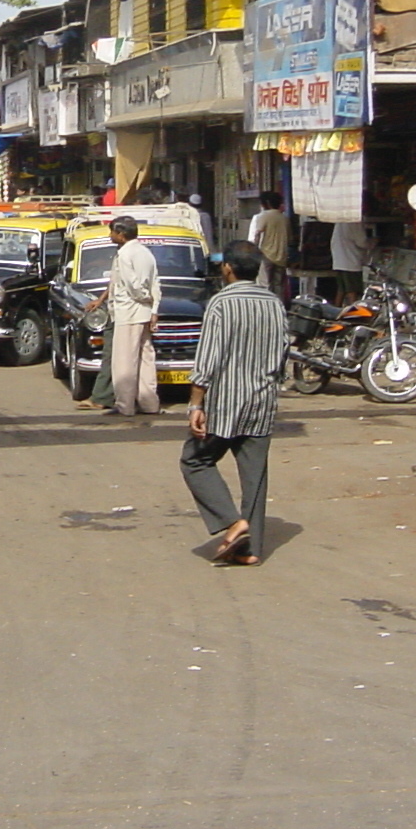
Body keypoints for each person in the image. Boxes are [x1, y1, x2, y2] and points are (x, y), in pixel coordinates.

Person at [183, 241, 290, 566]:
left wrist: (195, 404)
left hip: (225, 403)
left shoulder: (221, 303)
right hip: (262, 400)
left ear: (227, 268)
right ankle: (250, 549)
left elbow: (208, 358)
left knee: (194, 461)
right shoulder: (274, 304)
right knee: (254, 477)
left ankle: (233, 523)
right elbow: (284, 353)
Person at [84, 216, 158, 416]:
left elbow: (134, 286)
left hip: (128, 313)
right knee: (145, 360)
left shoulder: (126, 255)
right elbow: (153, 282)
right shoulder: (145, 252)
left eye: (112, 233)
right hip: (142, 313)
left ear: (122, 235)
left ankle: (125, 406)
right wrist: (153, 307)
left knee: (124, 362)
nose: (110, 236)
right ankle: (149, 404)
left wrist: (144, 298)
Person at [329, 216, 375, 306]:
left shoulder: (341, 219)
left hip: (339, 260)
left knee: (342, 289)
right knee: (352, 290)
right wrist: (373, 242)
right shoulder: (354, 221)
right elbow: (361, 242)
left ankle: (336, 311)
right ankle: (353, 314)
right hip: (350, 261)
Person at [249, 191, 289, 292]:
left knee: (264, 283)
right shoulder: (284, 218)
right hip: (281, 256)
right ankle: (279, 305)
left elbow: (257, 233)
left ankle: (266, 305)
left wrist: (254, 250)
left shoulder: (264, 216)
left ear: (266, 203)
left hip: (266, 254)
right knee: (278, 284)